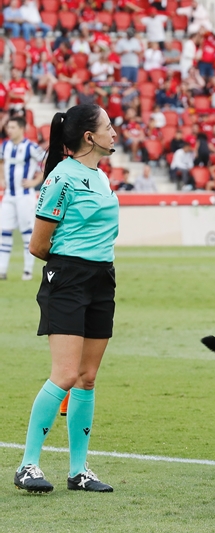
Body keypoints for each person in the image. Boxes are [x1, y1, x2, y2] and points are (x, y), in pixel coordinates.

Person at [13, 103, 119, 493]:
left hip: (101, 279)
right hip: (69, 280)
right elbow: (39, 245)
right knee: (65, 375)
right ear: (88, 137)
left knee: (87, 379)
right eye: (107, 126)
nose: (114, 132)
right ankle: (28, 465)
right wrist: (73, 264)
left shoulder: (101, 177)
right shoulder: (62, 177)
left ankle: (78, 471)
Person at [0, 117, 46, 281]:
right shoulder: (4, 146)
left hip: (25, 196)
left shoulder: (31, 147)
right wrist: (1, 178)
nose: (9, 130)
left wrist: (35, 182)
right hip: (8, 195)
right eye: (8, 127)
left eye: (12, 127)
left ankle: (27, 271)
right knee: (4, 232)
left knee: (27, 233)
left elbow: (47, 163)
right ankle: (2, 270)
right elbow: (1, 162)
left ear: (21, 129)